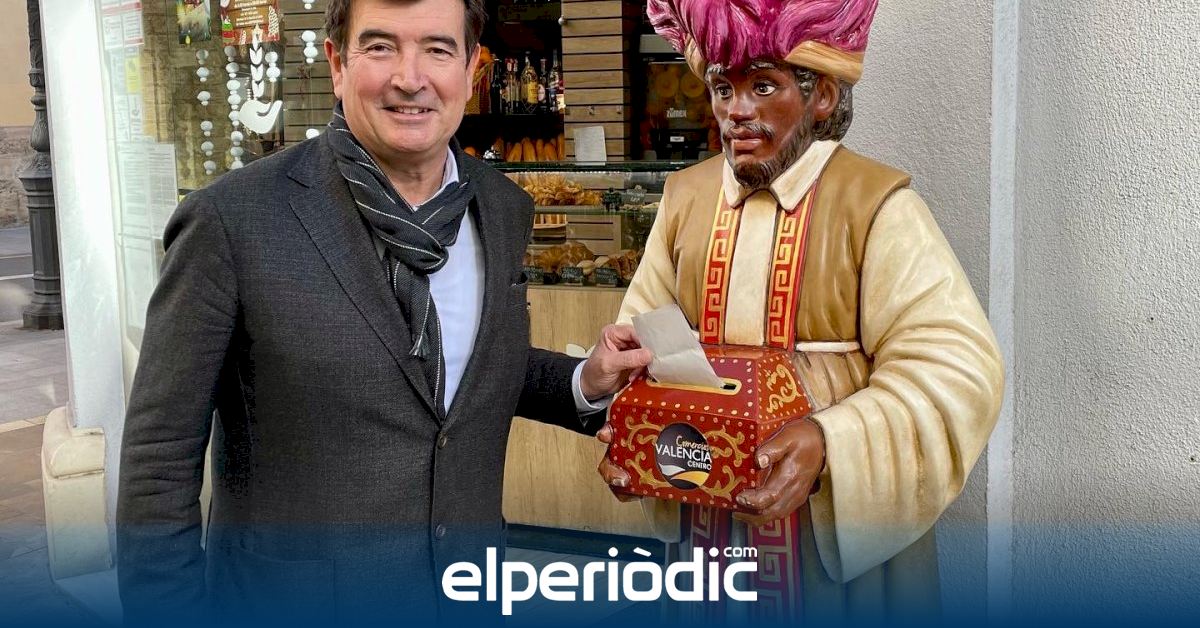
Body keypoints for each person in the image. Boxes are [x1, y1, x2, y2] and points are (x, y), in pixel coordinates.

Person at [116, 0, 650, 623]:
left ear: (472, 70)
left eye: (437, 49)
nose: (409, 77)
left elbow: (464, 368)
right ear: (337, 64)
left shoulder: (501, 207)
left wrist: (584, 381)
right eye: (379, 47)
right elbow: (159, 458)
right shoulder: (232, 220)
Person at [597, 0, 1004, 621]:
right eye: (723, 89)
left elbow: (957, 370)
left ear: (822, 96)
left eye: (764, 86)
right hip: (706, 523)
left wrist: (829, 440)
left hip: (824, 548)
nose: (737, 110)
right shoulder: (685, 199)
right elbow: (641, 338)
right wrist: (633, 431)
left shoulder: (877, 206)